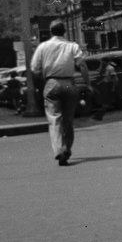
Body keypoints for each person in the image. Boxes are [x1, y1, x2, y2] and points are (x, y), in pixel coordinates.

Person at [31, 19, 91, 166]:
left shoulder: (43, 47)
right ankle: (67, 148)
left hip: (51, 83)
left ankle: (59, 149)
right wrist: (87, 83)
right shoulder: (72, 46)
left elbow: (34, 68)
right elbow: (82, 65)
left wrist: (42, 79)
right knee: (68, 120)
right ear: (64, 32)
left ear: (51, 32)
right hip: (70, 83)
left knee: (54, 119)